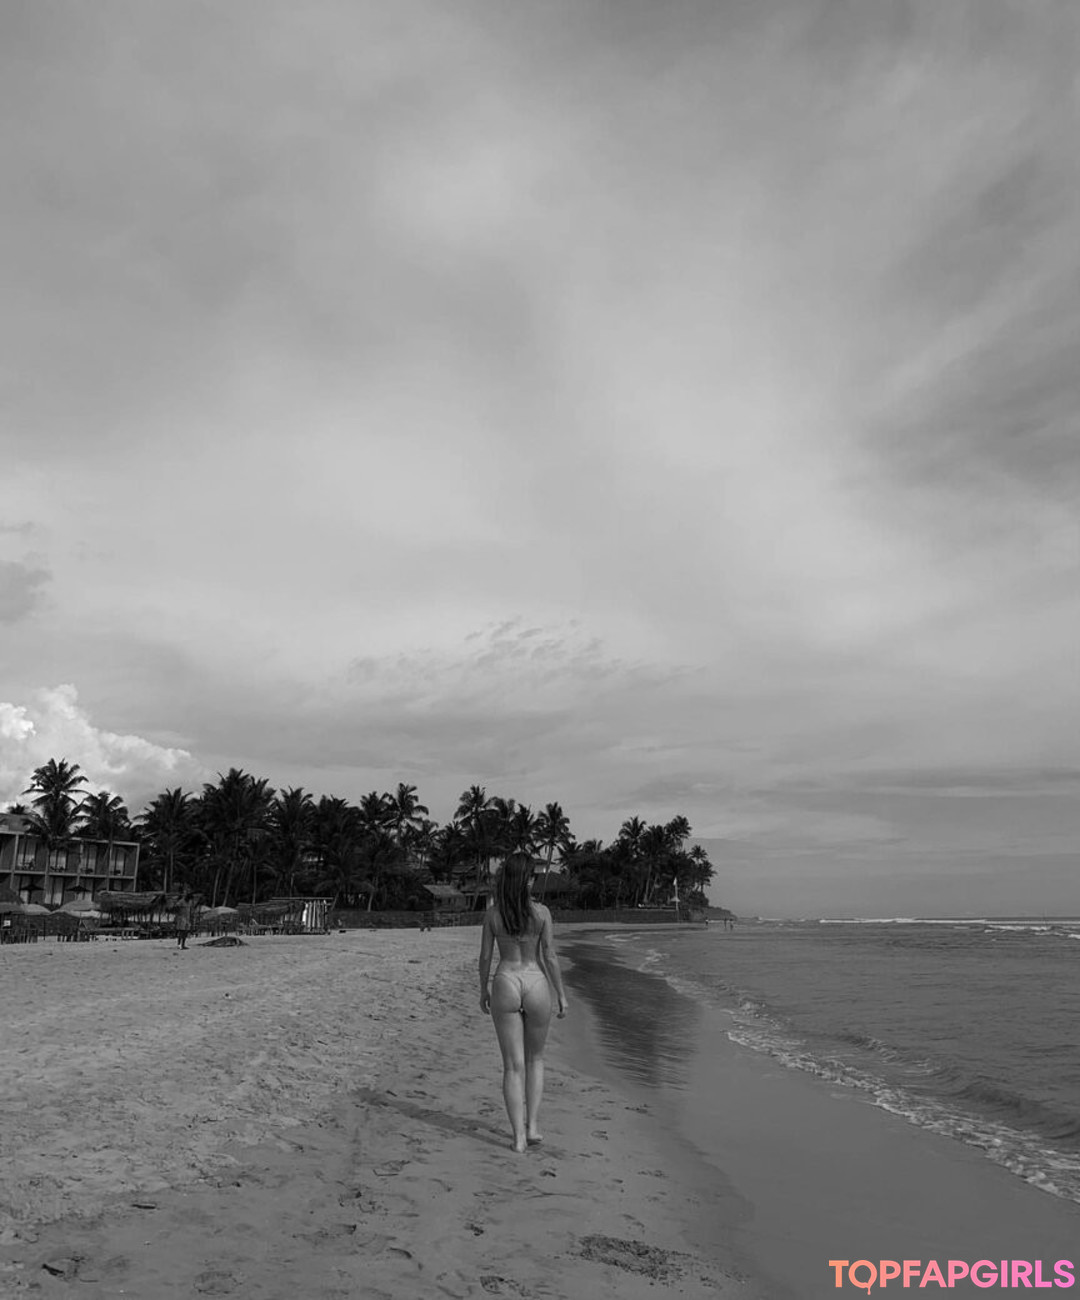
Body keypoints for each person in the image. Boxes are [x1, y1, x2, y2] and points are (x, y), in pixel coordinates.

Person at [478, 855, 568, 1152]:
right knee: (535, 1060)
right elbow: (549, 955)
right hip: (535, 981)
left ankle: (518, 1137)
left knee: (512, 1066)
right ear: (526, 880)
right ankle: (532, 1127)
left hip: (506, 979)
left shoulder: (493, 914)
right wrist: (561, 994)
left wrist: (483, 989)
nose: (534, 881)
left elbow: (485, 956)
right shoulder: (541, 913)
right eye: (532, 876)